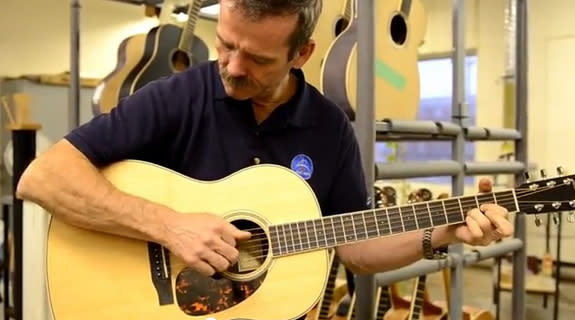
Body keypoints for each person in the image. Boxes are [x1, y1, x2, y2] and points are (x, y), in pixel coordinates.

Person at [17, 0, 511, 300]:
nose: (231, 67)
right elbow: (42, 177)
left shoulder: (329, 127)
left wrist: (446, 229)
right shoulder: (177, 97)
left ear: (301, 54)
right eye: (227, 44)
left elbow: (356, 249)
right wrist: (168, 226)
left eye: (256, 58)